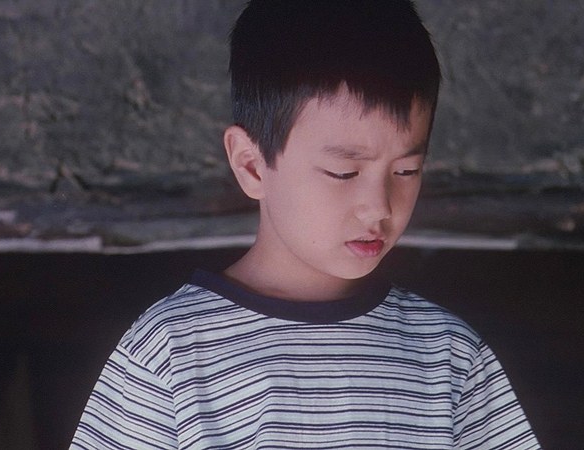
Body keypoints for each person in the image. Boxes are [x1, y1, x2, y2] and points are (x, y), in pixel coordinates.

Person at [70, 0, 540, 448]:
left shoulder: (449, 355)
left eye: (406, 171)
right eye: (344, 172)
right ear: (252, 165)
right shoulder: (171, 352)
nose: (378, 207)